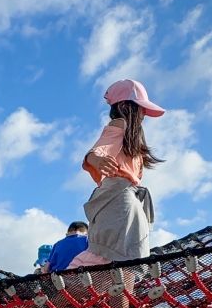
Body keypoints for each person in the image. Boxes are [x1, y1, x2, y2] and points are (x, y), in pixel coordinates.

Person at [66, 79, 166, 269]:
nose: (144, 113)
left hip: (128, 202)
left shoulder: (132, 137)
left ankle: (67, 295)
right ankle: (64, 294)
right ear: (123, 106)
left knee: (119, 266)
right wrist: (98, 161)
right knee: (114, 262)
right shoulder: (120, 124)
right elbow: (96, 152)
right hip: (119, 202)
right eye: (140, 107)